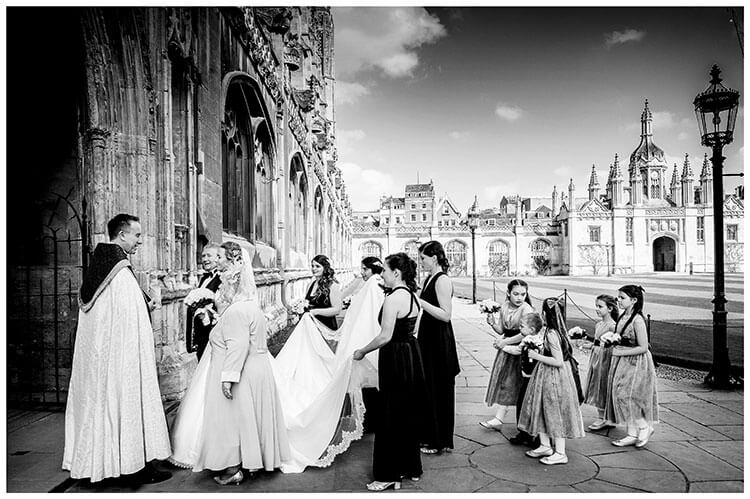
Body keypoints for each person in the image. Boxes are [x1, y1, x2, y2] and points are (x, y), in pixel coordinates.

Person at [169, 242, 290, 485]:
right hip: (253, 368)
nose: (219, 265)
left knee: (231, 421)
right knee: (247, 419)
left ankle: (233, 469)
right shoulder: (246, 305)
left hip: (238, 370)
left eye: (222, 258)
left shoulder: (237, 311)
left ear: (233, 268)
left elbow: (237, 346)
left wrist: (228, 378)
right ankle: (251, 463)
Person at [63, 214, 172, 484]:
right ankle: (130, 466)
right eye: (136, 235)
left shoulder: (102, 265)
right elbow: (128, 321)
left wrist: (145, 302)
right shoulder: (118, 270)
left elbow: (118, 312)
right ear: (121, 235)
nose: (139, 241)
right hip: (121, 358)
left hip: (104, 357)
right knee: (125, 400)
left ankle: (110, 461)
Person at [353, 253, 427, 492]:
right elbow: (412, 329)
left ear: (396, 272)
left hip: (395, 357)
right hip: (412, 356)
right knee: (407, 412)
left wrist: (362, 351)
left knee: (390, 414)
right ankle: (410, 466)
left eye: (384, 270)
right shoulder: (413, 297)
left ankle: (388, 474)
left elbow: (385, 336)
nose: (381, 274)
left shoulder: (394, 298)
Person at [518, 298, 585, 465]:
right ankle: (545, 445)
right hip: (545, 374)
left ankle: (560, 452)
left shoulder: (552, 334)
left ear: (547, 315)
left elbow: (558, 361)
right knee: (541, 407)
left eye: (543, 312)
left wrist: (536, 356)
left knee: (554, 410)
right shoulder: (552, 331)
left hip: (554, 376)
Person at [416, 241, 460, 455]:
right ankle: (429, 435)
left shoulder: (442, 280)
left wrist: (420, 302)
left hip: (439, 339)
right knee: (429, 387)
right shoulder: (430, 278)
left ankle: (439, 440)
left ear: (434, 257)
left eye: (423, 258)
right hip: (428, 336)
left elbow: (446, 314)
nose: (421, 262)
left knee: (439, 388)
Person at [480, 279, 534, 446]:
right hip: (507, 348)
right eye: (516, 294)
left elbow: (525, 334)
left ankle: (520, 425)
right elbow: (502, 330)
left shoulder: (526, 309)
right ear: (509, 293)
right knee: (506, 383)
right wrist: (492, 322)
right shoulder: (504, 307)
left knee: (516, 385)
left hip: (521, 349)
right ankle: (499, 418)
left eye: (523, 294)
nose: (519, 298)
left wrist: (505, 342)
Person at [605, 285, 658, 448]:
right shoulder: (623, 317)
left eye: (622, 298)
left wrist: (619, 352)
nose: (618, 300)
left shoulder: (638, 320)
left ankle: (644, 426)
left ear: (634, 300)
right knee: (621, 394)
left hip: (636, 362)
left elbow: (643, 347)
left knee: (629, 395)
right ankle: (632, 432)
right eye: (618, 297)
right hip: (624, 361)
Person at [584, 295, 619, 431]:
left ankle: (604, 417)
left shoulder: (613, 326)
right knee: (596, 383)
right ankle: (603, 415)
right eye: (596, 306)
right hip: (597, 356)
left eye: (600, 306)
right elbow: (596, 342)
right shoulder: (599, 324)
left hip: (606, 358)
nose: (597, 309)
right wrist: (588, 344)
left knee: (603, 383)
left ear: (610, 308)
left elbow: (612, 344)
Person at [186, 243, 223, 359]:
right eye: (203, 256)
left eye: (209, 256)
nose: (205, 259)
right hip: (201, 337)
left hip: (212, 336)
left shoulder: (222, 279)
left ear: (218, 258)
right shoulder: (204, 278)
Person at [304, 255, 342, 330]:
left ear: (325, 268)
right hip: (311, 326)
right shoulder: (310, 285)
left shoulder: (332, 285)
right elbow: (307, 303)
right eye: (312, 266)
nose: (314, 269)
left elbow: (337, 309)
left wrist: (316, 312)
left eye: (317, 266)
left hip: (326, 327)